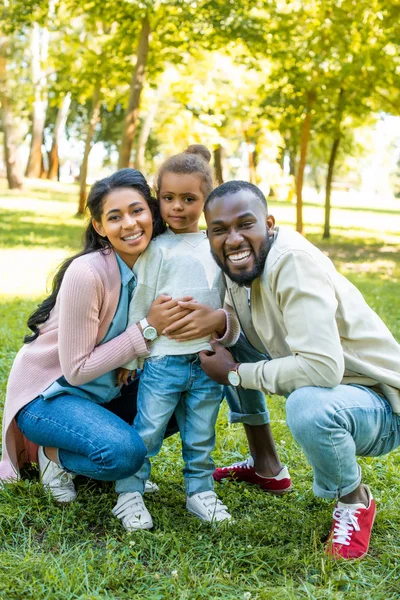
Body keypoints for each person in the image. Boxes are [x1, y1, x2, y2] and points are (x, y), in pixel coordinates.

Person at [199, 180, 400, 560]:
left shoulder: (292, 262)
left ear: (269, 224)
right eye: (220, 230)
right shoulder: (235, 262)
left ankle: (355, 501)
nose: (234, 239)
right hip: (337, 388)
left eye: (246, 225)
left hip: (380, 404)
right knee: (224, 340)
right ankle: (266, 467)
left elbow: (322, 369)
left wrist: (237, 373)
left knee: (308, 405)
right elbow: (237, 318)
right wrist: (219, 328)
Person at [0, 169, 188, 506]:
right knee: (124, 455)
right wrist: (147, 328)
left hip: (104, 391)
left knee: (185, 392)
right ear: (100, 227)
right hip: (49, 396)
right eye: (114, 217)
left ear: (152, 211)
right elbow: (76, 369)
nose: (129, 224)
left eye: (137, 210)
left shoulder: (156, 262)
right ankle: (53, 455)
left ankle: (90, 452)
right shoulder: (88, 272)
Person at [113, 146, 241, 531]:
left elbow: (230, 302)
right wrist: (131, 358)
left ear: (207, 201)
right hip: (163, 362)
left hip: (206, 362)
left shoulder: (216, 246)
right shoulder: (156, 248)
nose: (178, 207)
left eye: (189, 199)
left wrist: (223, 329)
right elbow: (141, 302)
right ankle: (129, 492)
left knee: (201, 435)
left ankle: (200, 491)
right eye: (168, 198)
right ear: (158, 197)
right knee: (148, 430)